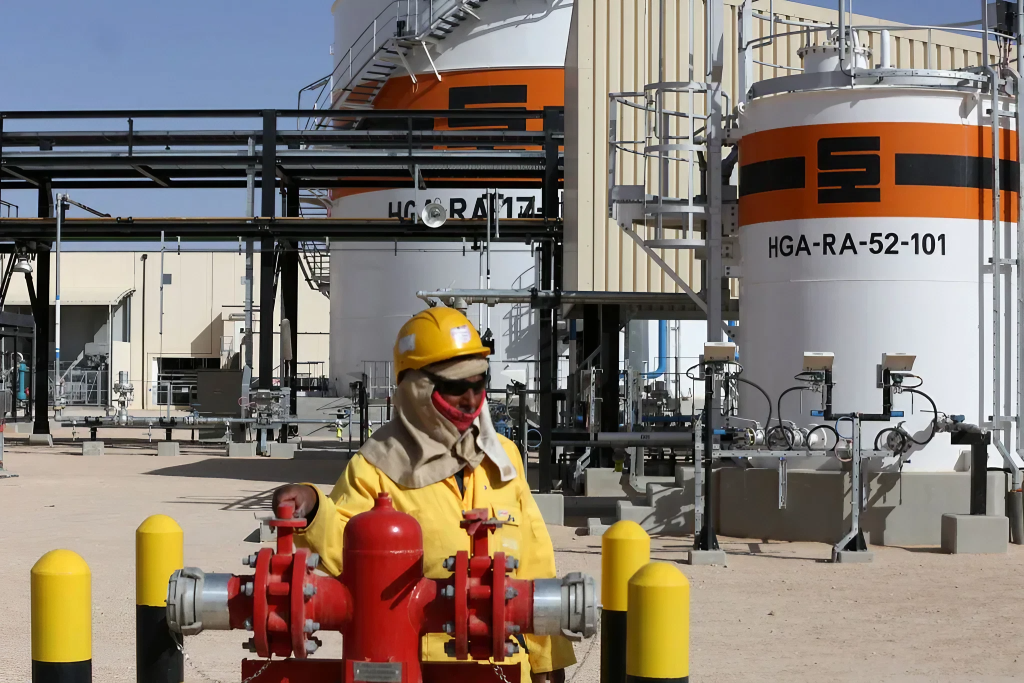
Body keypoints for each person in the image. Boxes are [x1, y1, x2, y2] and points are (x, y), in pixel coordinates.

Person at [273, 307, 574, 683]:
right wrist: (314, 508)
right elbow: (345, 552)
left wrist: (549, 658)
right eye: (454, 386)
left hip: (506, 667)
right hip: (423, 669)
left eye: (478, 383)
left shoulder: (502, 457)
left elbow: (535, 560)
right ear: (416, 389)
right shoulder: (376, 467)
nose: (470, 399)